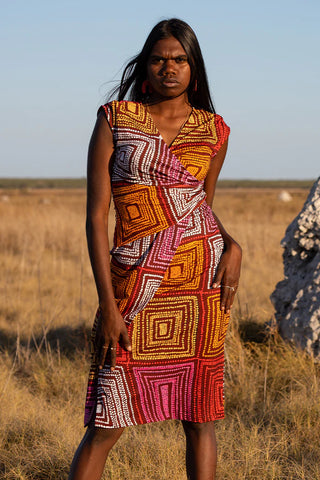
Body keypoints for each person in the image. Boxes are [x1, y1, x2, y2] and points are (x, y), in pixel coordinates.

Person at [69, 18, 242, 480]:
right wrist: (108, 303)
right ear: (145, 66)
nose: (169, 67)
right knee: (106, 420)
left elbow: (199, 204)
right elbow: (96, 215)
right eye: (159, 59)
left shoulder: (215, 130)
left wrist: (232, 243)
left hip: (200, 290)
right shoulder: (116, 119)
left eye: (179, 59)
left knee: (200, 417)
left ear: (194, 68)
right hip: (134, 285)